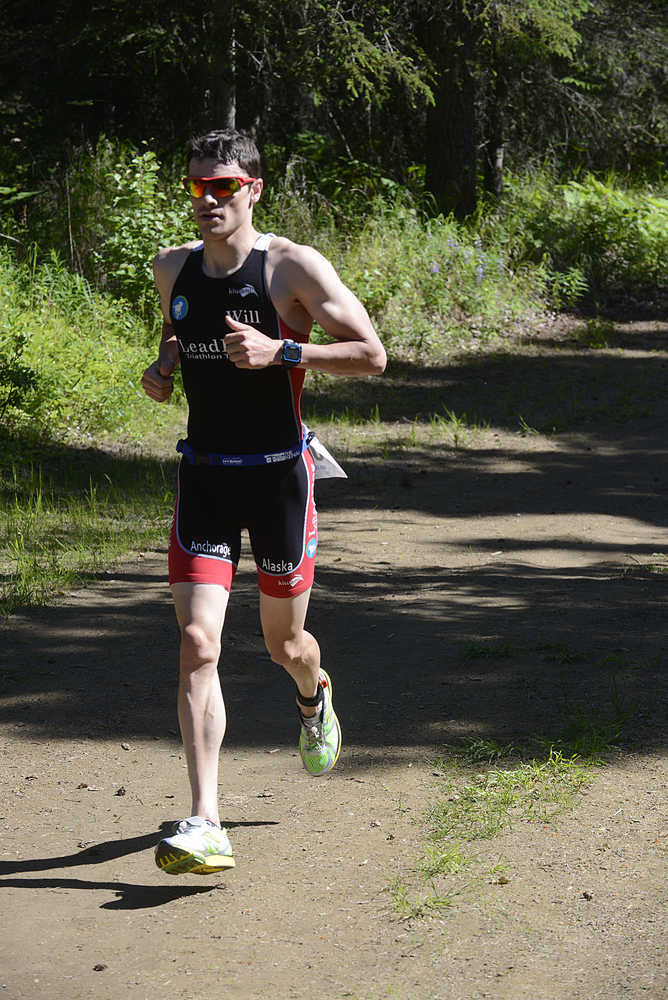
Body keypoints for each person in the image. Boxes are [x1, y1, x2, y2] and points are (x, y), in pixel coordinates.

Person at [141, 128, 386, 875]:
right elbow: (178, 325)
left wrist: (287, 350)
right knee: (199, 643)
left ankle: (315, 696)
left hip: (281, 478)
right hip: (207, 478)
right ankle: (205, 819)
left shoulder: (289, 269)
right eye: (197, 188)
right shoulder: (171, 269)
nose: (209, 200)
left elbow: (372, 355)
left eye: (224, 187)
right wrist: (163, 364)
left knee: (285, 646)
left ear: (254, 189)